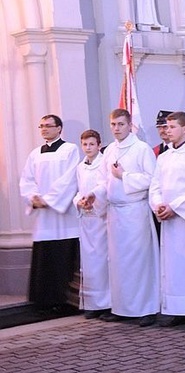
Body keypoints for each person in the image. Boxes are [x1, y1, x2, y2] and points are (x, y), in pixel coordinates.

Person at [87, 109, 159, 327]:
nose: (116, 128)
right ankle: (122, 307)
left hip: (135, 212)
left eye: (120, 124)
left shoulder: (141, 149)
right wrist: (93, 194)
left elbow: (152, 179)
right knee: (118, 263)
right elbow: (102, 181)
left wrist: (124, 176)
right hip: (115, 213)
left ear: (130, 125)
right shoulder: (109, 151)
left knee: (138, 261)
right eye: (113, 124)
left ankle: (145, 309)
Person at [149, 111, 185, 331]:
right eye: (166, 127)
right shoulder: (163, 157)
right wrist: (158, 205)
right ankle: (178, 310)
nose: (167, 131)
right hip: (168, 219)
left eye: (172, 127)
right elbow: (155, 186)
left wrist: (175, 207)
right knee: (173, 266)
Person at [19, 114, 80, 316]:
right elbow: (26, 180)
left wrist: (50, 199)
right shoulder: (35, 154)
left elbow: (70, 178)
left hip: (64, 216)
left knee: (63, 258)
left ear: (59, 128)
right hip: (44, 219)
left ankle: (65, 302)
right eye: (41, 126)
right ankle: (44, 301)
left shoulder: (70, 150)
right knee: (45, 259)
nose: (44, 129)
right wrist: (33, 197)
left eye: (48, 126)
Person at [73, 130, 110, 319]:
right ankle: (92, 303)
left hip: (100, 218)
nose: (88, 148)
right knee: (88, 263)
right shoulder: (81, 167)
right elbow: (79, 190)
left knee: (102, 261)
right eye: (85, 145)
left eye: (91, 144)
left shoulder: (103, 163)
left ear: (99, 145)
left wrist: (93, 199)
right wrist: (79, 201)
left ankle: (106, 302)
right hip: (86, 220)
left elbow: (105, 187)